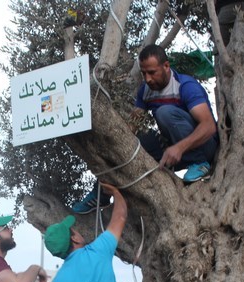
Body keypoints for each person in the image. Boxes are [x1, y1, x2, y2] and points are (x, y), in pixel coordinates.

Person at [73, 45, 218, 214]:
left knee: (165, 113)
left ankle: (199, 164)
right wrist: (117, 143)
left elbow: (209, 126)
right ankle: (101, 194)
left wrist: (180, 147)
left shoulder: (185, 86)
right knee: (133, 141)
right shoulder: (146, 91)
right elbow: (134, 124)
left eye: (152, 72)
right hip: (172, 148)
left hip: (203, 147)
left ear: (166, 66)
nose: (148, 78)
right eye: (144, 73)